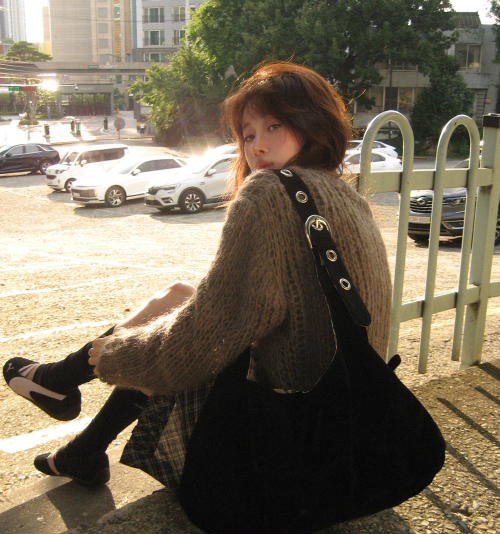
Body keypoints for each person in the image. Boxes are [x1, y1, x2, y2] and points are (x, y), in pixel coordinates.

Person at [3, 61, 392, 491]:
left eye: (274, 126)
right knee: (180, 296)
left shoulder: (270, 192)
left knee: (172, 336)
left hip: (289, 438)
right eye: (248, 135)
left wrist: (110, 356)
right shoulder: (347, 196)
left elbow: (199, 341)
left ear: (312, 123)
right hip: (351, 426)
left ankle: (63, 379)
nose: (258, 146)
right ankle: (81, 441)